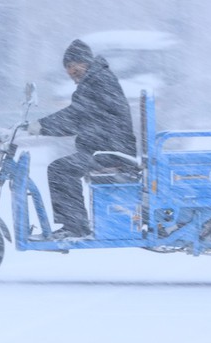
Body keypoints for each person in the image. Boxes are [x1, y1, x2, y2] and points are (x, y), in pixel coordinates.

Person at [27, 39, 135, 239]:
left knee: (60, 170)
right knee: (62, 167)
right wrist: (42, 126)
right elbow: (80, 116)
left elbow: (76, 116)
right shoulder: (95, 80)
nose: (70, 71)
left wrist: (40, 126)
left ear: (84, 61)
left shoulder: (98, 81)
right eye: (67, 67)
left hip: (112, 152)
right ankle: (75, 224)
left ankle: (74, 226)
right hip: (108, 148)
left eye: (72, 65)